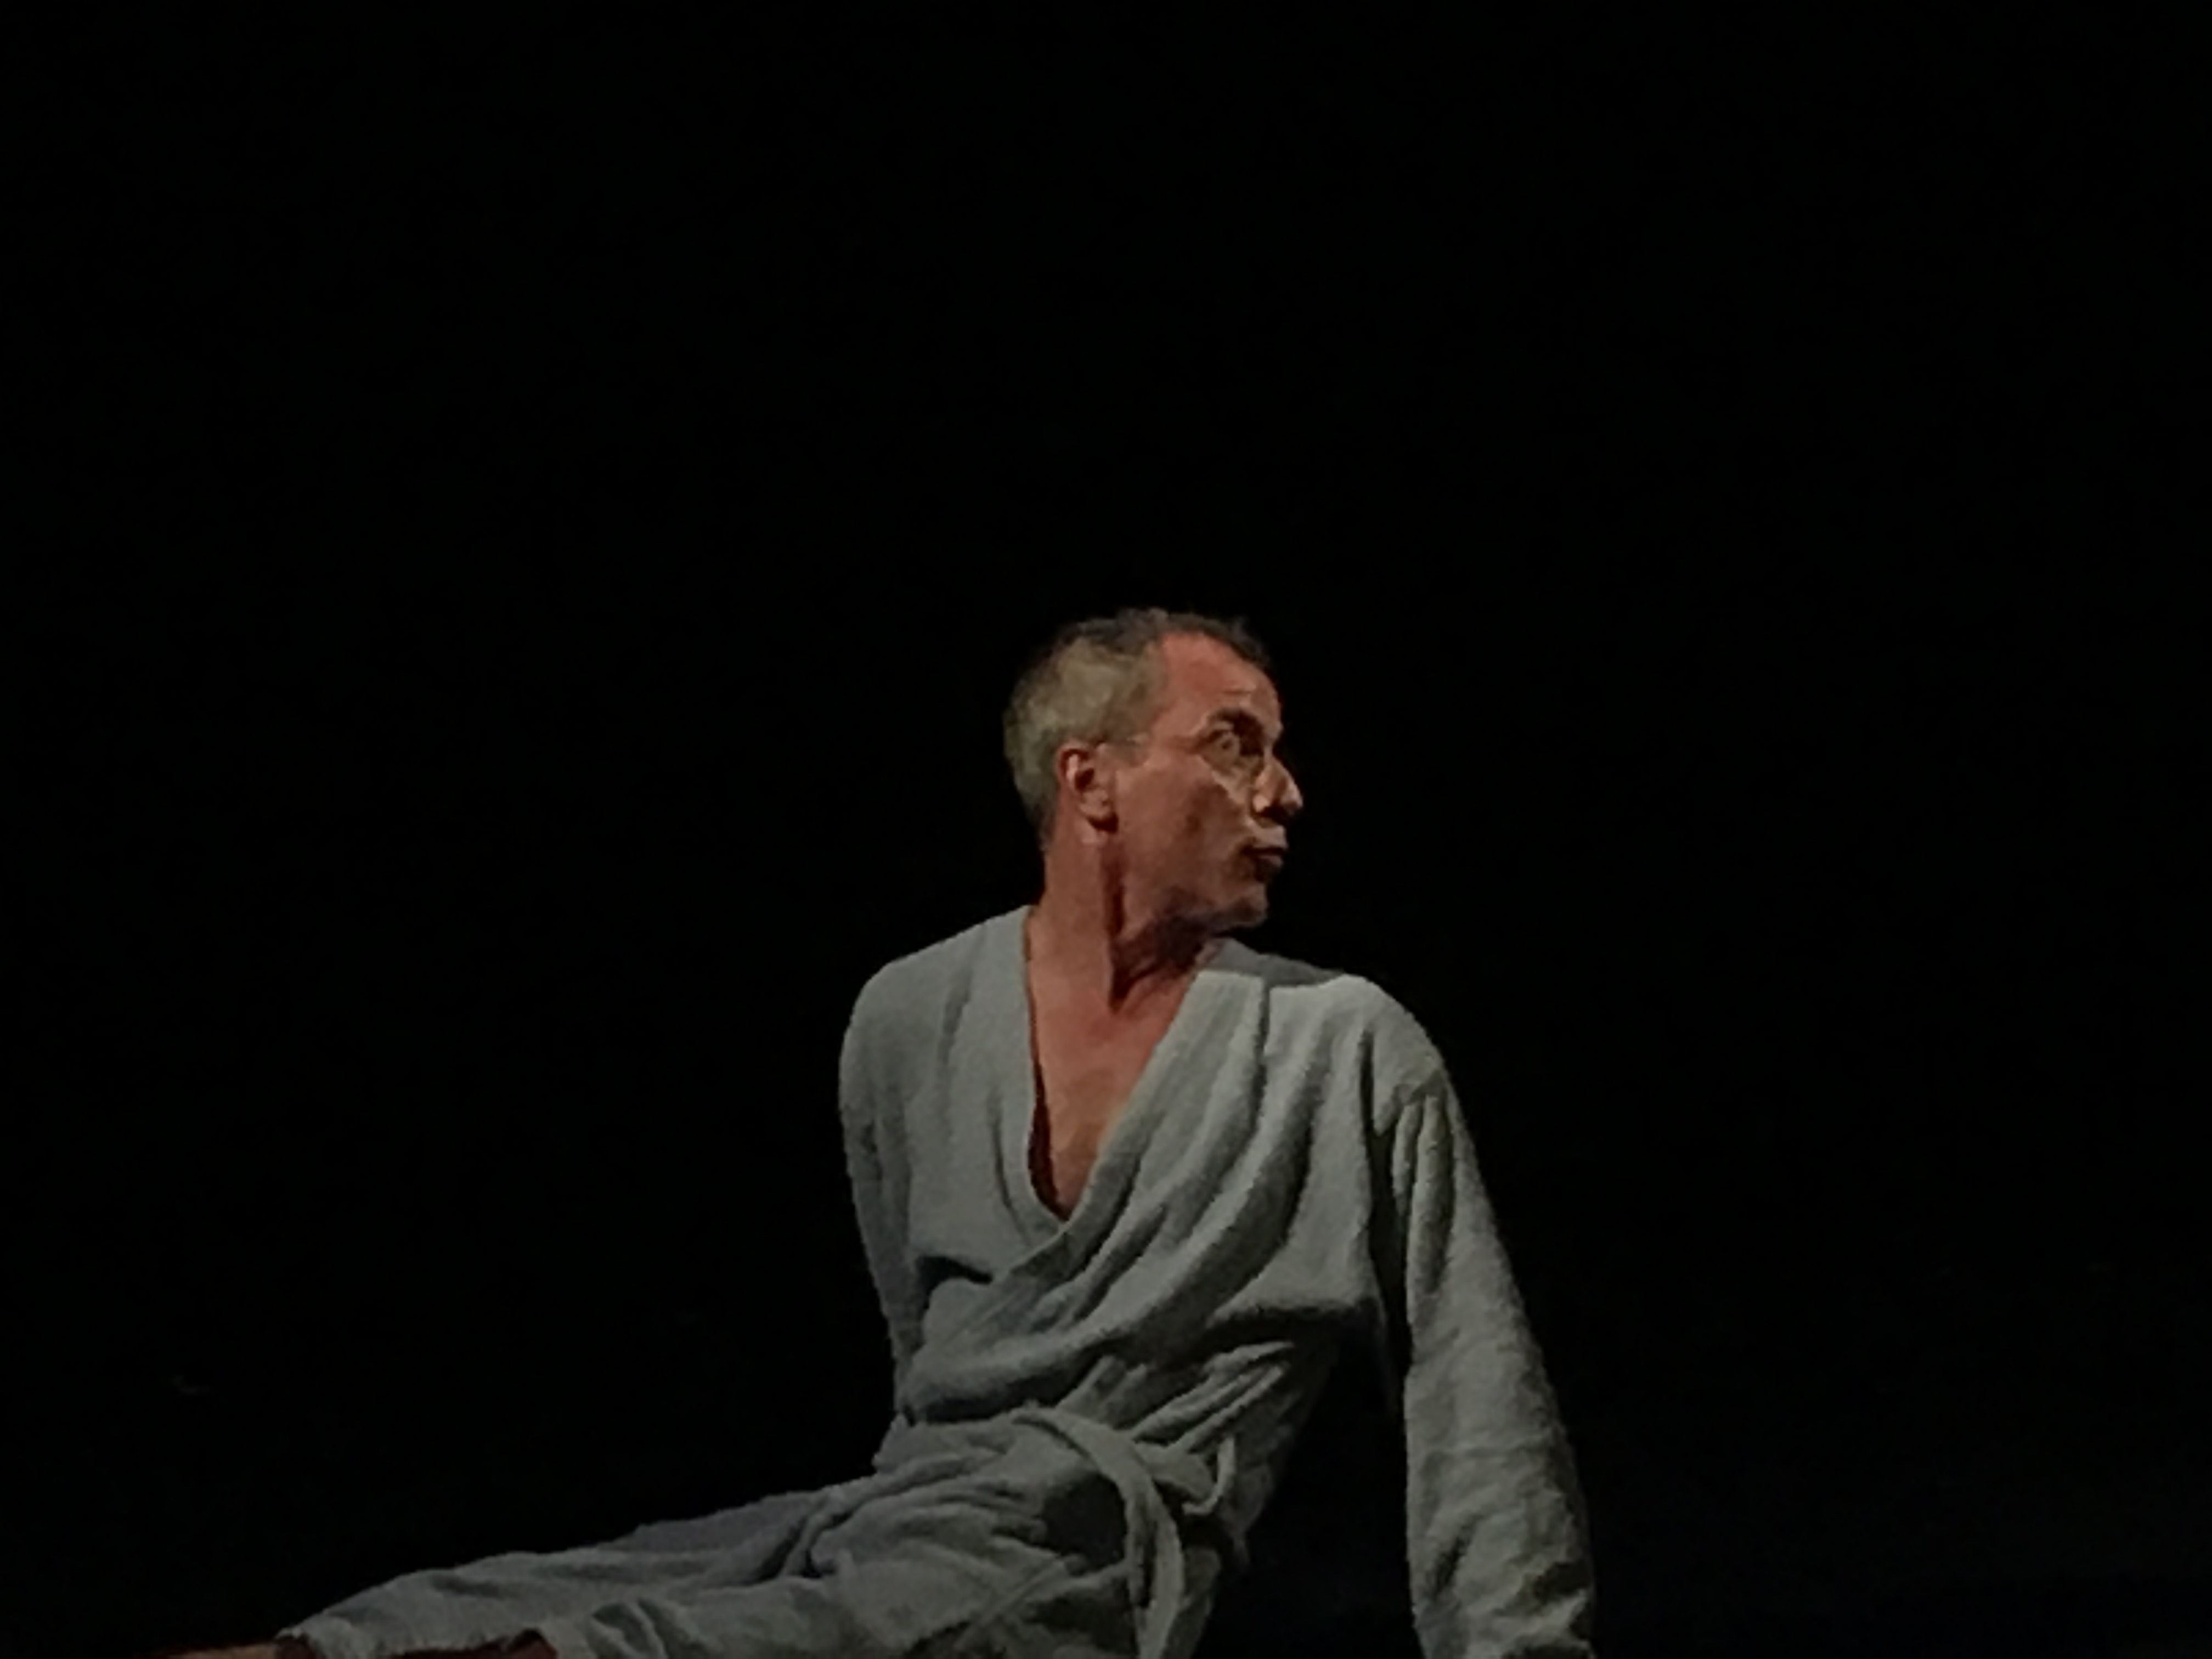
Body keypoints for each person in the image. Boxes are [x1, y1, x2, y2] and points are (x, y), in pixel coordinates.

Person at [156, 607, 1598, 1659]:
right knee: (415, 1621)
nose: (1284, 791)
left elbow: (1474, 1395)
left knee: (632, 1651)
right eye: (1235, 745)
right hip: (882, 1516)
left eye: (1276, 752)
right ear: (1091, 781)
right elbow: (924, 1357)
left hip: (1085, 1561)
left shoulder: (1341, 1047)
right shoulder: (907, 1018)